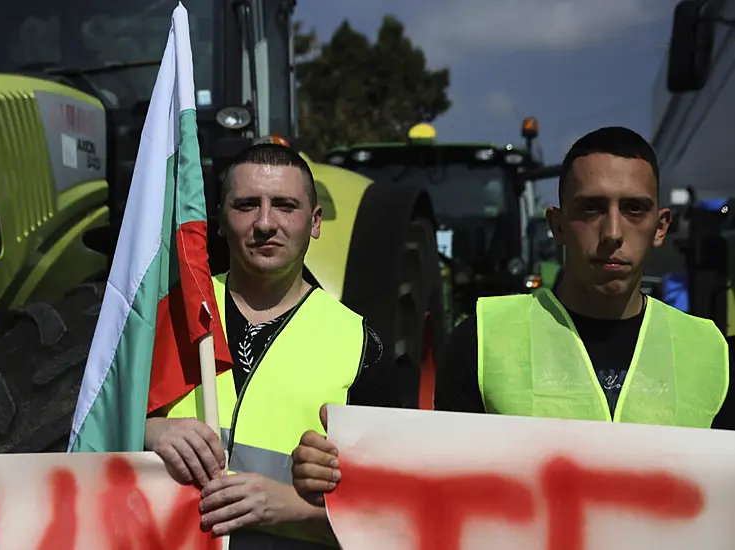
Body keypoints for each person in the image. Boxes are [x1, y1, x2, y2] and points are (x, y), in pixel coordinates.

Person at [290, 125, 735, 508]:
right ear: (557, 224)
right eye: (591, 209)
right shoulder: (481, 341)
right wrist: (345, 467)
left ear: (661, 227)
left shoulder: (714, 354)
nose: (613, 232)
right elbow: (439, 487)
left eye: (633, 209)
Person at [143, 142, 395, 548]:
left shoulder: (363, 347)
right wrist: (148, 432)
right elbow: (88, 435)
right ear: (221, 220)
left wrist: (293, 510)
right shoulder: (168, 316)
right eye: (246, 205)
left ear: (315, 222)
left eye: (284, 205)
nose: (265, 222)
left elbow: (392, 517)